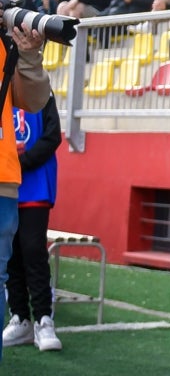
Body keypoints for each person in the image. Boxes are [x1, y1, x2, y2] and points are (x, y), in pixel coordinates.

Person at [0, 23, 52, 363]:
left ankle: (39, 318)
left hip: (7, 180)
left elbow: (35, 101)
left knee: (24, 258)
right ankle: (21, 317)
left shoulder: (7, 46)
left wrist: (30, 55)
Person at [2, 94, 62, 353]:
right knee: (9, 253)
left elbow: (52, 136)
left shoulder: (41, 91)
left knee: (33, 250)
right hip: (6, 182)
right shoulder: (4, 90)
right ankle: (20, 318)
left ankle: (43, 320)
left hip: (35, 183)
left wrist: (20, 162)